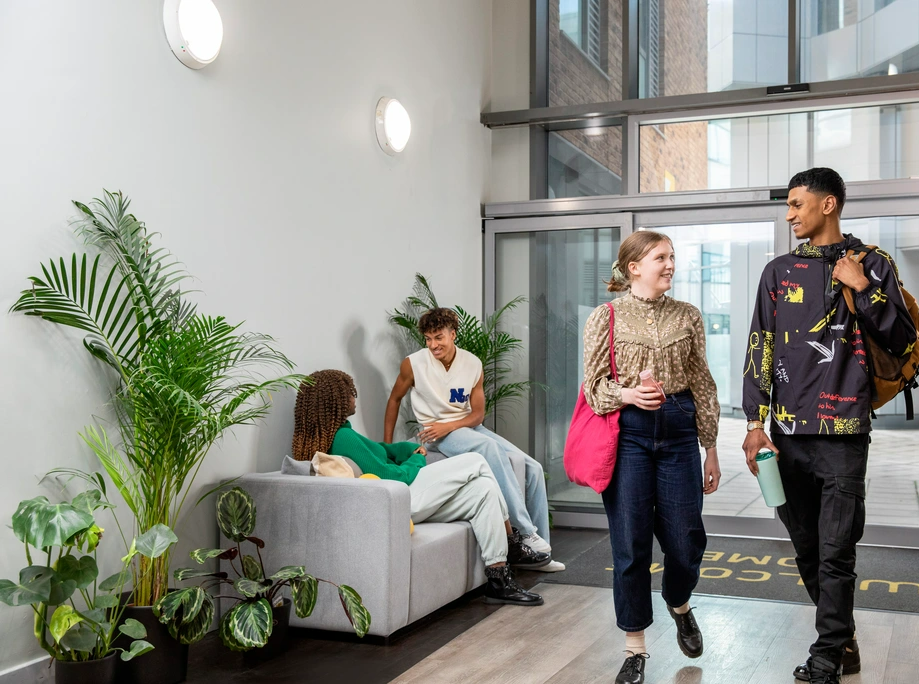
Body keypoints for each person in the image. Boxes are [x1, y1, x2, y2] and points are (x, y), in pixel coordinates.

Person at [742, 168, 918, 684]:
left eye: (797, 204)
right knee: (806, 547)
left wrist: (862, 287)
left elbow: (903, 340)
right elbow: (760, 345)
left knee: (837, 550)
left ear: (828, 204)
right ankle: (844, 641)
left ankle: (825, 658)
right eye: (788, 205)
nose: (789, 215)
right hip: (786, 436)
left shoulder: (873, 263)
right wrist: (754, 422)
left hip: (845, 433)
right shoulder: (778, 272)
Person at [582, 231, 722, 684]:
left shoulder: (689, 315)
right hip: (629, 435)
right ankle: (635, 647)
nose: (670, 265)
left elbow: (702, 382)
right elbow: (593, 387)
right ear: (634, 266)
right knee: (630, 545)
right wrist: (628, 395)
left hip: (679, 430)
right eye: (661, 257)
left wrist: (710, 448)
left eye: (672, 257)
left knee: (686, 540)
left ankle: (679, 602)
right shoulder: (605, 317)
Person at [293, 369, 550, 606]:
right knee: (476, 461)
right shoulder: (343, 437)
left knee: (483, 489)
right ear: (335, 400)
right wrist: (417, 459)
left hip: (403, 498)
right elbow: (391, 475)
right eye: (350, 392)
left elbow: (382, 451)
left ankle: (498, 580)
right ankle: (513, 543)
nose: (354, 397)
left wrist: (407, 449)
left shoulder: (340, 433)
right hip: (401, 498)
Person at [384, 307, 565, 572]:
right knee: (488, 447)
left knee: (533, 468)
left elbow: (478, 415)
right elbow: (394, 400)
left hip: (466, 427)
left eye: (439, 337)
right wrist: (387, 446)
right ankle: (526, 533)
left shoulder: (472, 364)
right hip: (434, 434)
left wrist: (449, 425)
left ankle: (541, 556)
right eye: (428, 339)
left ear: (453, 334)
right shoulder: (413, 364)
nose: (433, 345)